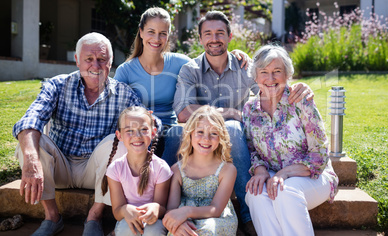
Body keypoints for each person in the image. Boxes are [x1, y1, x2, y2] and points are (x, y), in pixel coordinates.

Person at [169, 10, 313, 235]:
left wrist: (299, 88)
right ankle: (167, 211)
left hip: (236, 137)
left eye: (220, 33)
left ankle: (247, 215)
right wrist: (229, 112)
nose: (214, 38)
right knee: (172, 136)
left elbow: (270, 91)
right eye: (208, 33)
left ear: (229, 36)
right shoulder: (190, 70)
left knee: (234, 129)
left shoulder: (245, 67)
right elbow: (182, 111)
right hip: (199, 137)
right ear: (200, 39)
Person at [12, 32, 144, 236]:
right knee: (31, 141)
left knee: (118, 142)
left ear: (111, 62)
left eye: (102, 59)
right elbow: (30, 119)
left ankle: (94, 217)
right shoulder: (57, 85)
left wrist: (149, 124)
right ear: (76, 60)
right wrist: (31, 160)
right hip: (59, 168)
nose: (96, 66)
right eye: (88, 59)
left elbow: (149, 123)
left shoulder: (124, 94)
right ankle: (52, 217)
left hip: (97, 172)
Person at [114, 7, 250, 160]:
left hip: (169, 132)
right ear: (141, 32)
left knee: (176, 134)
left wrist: (233, 54)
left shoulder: (180, 63)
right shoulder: (125, 71)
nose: (156, 39)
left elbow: (210, 58)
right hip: (140, 132)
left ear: (168, 36)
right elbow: (117, 111)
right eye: (151, 32)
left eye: (163, 33)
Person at [243, 45, 339, 236]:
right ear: (255, 77)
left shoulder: (301, 100)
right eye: (264, 72)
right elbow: (253, 150)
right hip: (274, 176)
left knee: (284, 191)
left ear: (287, 74)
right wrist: (260, 171)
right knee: (255, 195)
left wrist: (285, 173)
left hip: (314, 177)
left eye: (277, 72)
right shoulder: (249, 109)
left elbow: (319, 155)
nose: (270, 79)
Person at [163, 105, 238, 236]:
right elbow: (171, 209)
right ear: (190, 134)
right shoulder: (177, 170)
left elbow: (216, 209)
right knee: (178, 232)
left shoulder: (227, 170)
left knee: (206, 230)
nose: (206, 139)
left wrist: (187, 211)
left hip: (217, 219)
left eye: (214, 133)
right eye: (200, 132)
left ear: (221, 138)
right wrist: (179, 224)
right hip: (185, 219)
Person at [102, 106, 172, 236]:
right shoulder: (115, 169)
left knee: (154, 231)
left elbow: (162, 207)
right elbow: (117, 212)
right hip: (127, 219)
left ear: (153, 132)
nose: (137, 136)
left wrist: (156, 208)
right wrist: (125, 210)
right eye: (130, 131)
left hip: (153, 221)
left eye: (144, 129)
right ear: (119, 135)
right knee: (126, 229)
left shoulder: (161, 168)